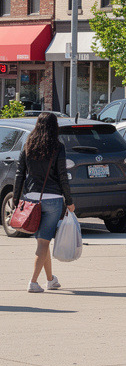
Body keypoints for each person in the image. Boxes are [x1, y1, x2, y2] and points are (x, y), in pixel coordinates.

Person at [13, 112, 75, 293]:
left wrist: (16, 200)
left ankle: (50, 280)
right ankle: (32, 282)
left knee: (43, 241)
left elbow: (19, 174)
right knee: (43, 243)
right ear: (54, 126)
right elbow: (63, 176)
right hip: (52, 200)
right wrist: (69, 200)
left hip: (31, 199)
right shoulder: (58, 147)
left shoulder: (28, 145)